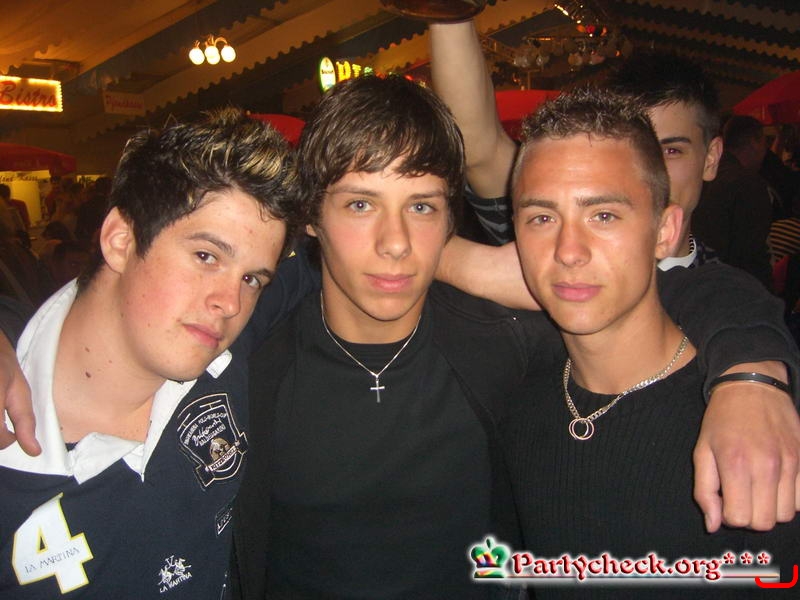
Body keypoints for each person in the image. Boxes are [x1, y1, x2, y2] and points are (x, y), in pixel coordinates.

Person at [232, 75, 800, 600]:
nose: (395, 242)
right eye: (361, 204)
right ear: (311, 215)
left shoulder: (503, 349)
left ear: (449, 220)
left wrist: (752, 376)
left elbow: (671, 293)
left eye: (421, 206)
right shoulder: (250, 367)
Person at [503, 87, 798, 598]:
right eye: (542, 218)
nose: (568, 251)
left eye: (604, 215)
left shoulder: (755, 432)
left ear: (665, 231)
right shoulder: (517, 402)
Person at [0, 106, 298, 598]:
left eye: (251, 278)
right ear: (120, 239)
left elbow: (361, 259)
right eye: (206, 256)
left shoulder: (224, 356)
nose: (230, 302)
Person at [430, 22, 724, 270]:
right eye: (635, 151)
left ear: (710, 158)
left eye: (672, 151)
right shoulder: (556, 249)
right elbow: (480, 147)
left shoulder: (727, 297)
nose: (652, 170)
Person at [692, 115, 774, 289]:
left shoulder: (703, 176)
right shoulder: (748, 184)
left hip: (698, 277)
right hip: (734, 287)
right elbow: (751, 252)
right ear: (755, 142)